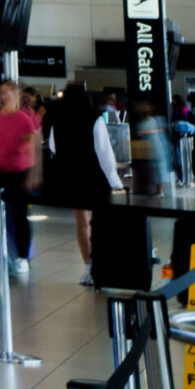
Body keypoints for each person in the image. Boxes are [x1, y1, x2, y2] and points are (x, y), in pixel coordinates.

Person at [44, 79, 121, 284]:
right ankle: (103, 266)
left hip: (72, 178)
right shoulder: (94, 118)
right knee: (101, 222)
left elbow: (53, 147)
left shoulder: (58, 119)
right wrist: (114, 180)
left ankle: (88, 267)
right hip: (94, 178)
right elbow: (104, 153)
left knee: (82, 223)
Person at [0, 82, 41, 279]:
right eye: (1, 93)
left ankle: (22, 256)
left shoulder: (24, 119)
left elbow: (31, 148)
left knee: (18, 214)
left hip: (16, 171)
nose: (3, 96)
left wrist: (32, 175)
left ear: (17, 95)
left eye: (7, 92)